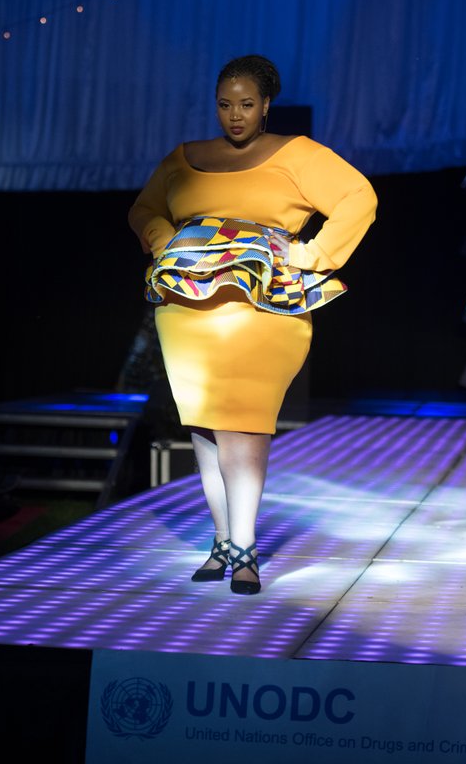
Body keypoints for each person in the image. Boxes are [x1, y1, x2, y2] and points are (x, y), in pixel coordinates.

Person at [128, 55, 377, 594]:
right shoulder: (186, 157)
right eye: (224, 104)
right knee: (204, 424)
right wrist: (161, 241)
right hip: (186, 308)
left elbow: (360, 197)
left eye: (246, 104)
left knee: (244, 422)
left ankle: (243, 548)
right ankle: (224, 542)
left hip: (262, 305)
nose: (234, 115)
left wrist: (313, 255)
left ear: (266, 105)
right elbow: (144, 208)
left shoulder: (298, 155)